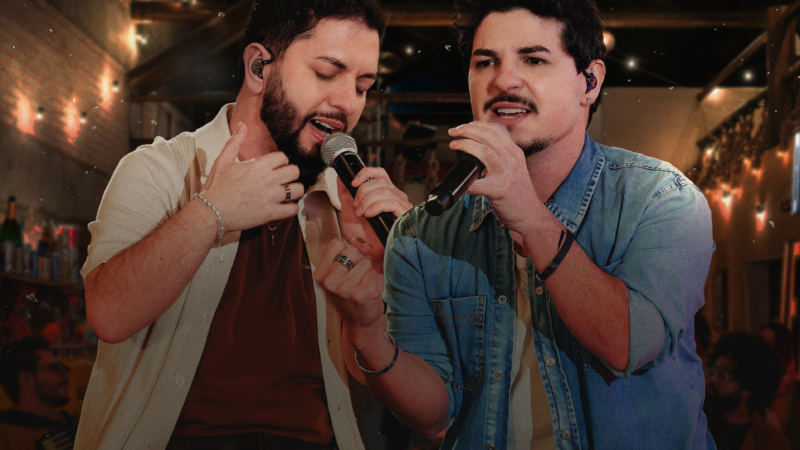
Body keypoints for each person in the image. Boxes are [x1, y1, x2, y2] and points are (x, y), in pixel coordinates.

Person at [314, 0, 716, 448]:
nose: (503, 80)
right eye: (485, 62)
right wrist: (366, 331)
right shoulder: (421, 234)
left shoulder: (662, 200)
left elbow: (629, 345)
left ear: (590, 81)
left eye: (534, 59)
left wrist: (530, 217)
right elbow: (432, 415)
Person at [75, 1, 412, 449]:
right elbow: (108, 315)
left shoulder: (347, 208)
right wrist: (210, 212)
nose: (348, 103)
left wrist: (383, 271)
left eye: (362, 85)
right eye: (328, 73)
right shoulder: (159, 169)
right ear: (258, 67)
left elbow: (377, 388)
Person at [705, 332, 789, 450]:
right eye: (712, 372)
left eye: (722, 376)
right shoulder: (697, 425)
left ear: (747, 389)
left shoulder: (773, 441)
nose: (712, 379)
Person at [0, 336, 77, 450]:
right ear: (26, 379)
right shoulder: (5, 433)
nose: (66, 375)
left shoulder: (67, 420)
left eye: (63, 368)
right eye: (54, 368)